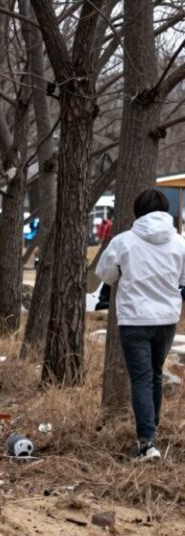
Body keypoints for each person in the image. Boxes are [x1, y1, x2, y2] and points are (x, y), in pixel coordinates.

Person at [96, 189, 185, 460]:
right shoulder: (180, 243)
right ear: (165, 210)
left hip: (134, 319)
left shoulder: (124, 241)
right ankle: (151, 436)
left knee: (142, 379)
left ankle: (147, 442)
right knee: (155, 375)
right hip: (167, 319)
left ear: (137, 210)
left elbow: (106, 275)